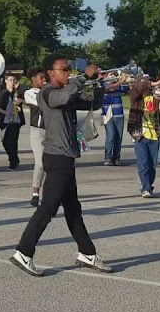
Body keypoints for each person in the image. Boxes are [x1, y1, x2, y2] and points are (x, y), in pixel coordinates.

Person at [10, 55, 114, 277]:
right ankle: (23, 251)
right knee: (48, 208)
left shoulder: (65, 93)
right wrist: (83, 76)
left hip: (65, 156)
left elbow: (93, 104)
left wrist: (99, 83)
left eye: (69, 69)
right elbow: (65, 96)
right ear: (51, 73)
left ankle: (87, 252)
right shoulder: (47, 93)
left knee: (73, 208)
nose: (68, 73)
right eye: (64, 69)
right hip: (56, 158)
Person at [126, 75, 160, 198]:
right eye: (145, 82)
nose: (147, 84)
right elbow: (137, 87)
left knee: (152, 165)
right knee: (143, 163)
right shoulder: (136, 97)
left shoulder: (156, 97)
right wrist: (151, 84)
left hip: (154, 134)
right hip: (139, 133)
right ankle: (145, 187)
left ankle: (149, 186)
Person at [23, 67, 47, 206]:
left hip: (51, 130)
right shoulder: (29, 93)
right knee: (40, 163)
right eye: (41, 78)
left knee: (52, 163)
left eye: (44, 78)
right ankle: (35, 192)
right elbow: (41, 102)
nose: (44, 81)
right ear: (33, 79)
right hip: (37, 131)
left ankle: (50, 193)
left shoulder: (49, 91)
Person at [0, 75, 25, 169]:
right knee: (5, 141)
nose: (12, 82)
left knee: (13, 142)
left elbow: (26, 101)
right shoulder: (2, 93)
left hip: (16, 120)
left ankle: (13, 162)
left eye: (13, 80)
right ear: (6, 81)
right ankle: (14, 158)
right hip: (5, 120)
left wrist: (21, 100)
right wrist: (6, 112)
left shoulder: (17, 93)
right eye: (10, 80)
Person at [100, 76, 126, 166]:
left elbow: (128, 89)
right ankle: (108, 157)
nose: (112, 76)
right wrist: (120, 82)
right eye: (110, 75)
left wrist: (126, 80)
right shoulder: (103, 84)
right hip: (107, 115)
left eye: (114, 75)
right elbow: (108, 89)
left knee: (118, 137)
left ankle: (116, 157)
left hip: (119, 114)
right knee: (110, 136)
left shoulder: (120, 85)